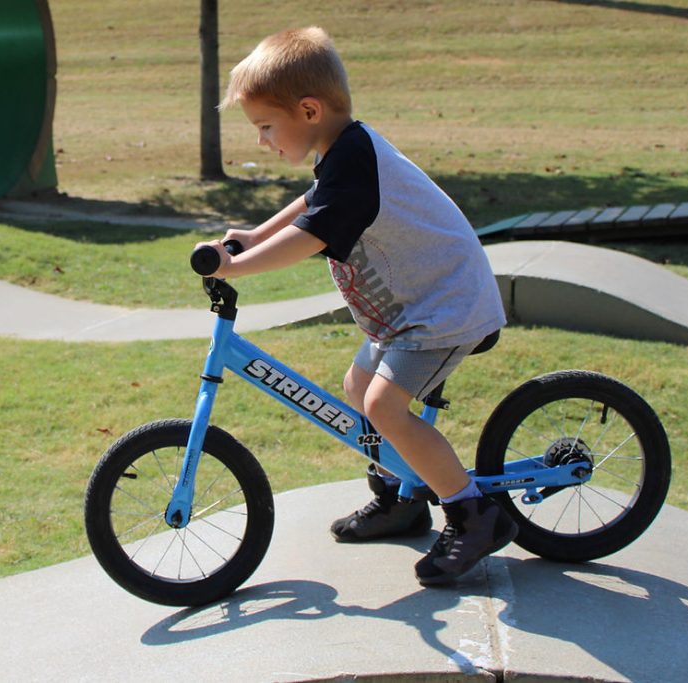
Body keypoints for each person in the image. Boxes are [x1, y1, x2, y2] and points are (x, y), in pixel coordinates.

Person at [197, 26, 517, 585]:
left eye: (266, 127)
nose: (263, 141)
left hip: (443, 311)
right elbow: (311, 202)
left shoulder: (356, 162)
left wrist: (237, 265)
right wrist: (255, 234)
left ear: (310, 109)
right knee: (356, 389)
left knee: (385, 406)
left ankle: (473, 515)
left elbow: (312, 233)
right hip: (408, 313)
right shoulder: (344, 151)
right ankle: (402, 498)